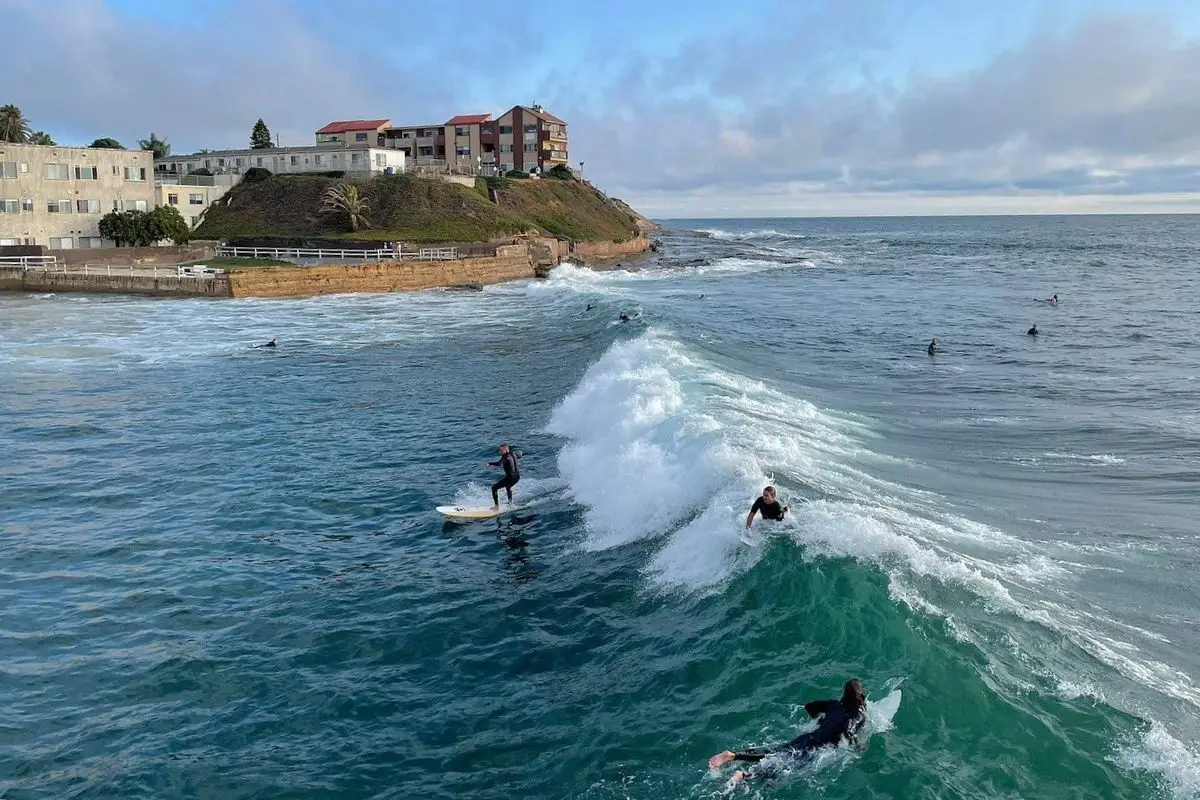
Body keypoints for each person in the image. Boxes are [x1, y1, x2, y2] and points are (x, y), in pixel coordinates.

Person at [708, 679, 868, 787]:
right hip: (817, 748)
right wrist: (856, 748)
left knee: (776, 751)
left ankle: (733, 755)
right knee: (783, 769)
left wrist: (820, 721)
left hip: (808, 737)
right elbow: (849, 731)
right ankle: (745, 775)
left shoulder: (834, 704)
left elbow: (809, 707)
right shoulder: (858, 716)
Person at [488, 444, 523, 509]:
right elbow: (520, 455)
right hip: (517, 477)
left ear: (506, 449)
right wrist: (521, 454)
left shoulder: (505, 456)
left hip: (510, 478)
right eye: (499, 450)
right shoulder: (514, 453)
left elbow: (499, 463)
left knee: (494, 488)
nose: (500, 452)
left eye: (501, 450)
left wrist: (490, 463)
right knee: (508, 486)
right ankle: (510, 504)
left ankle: (496, 507)